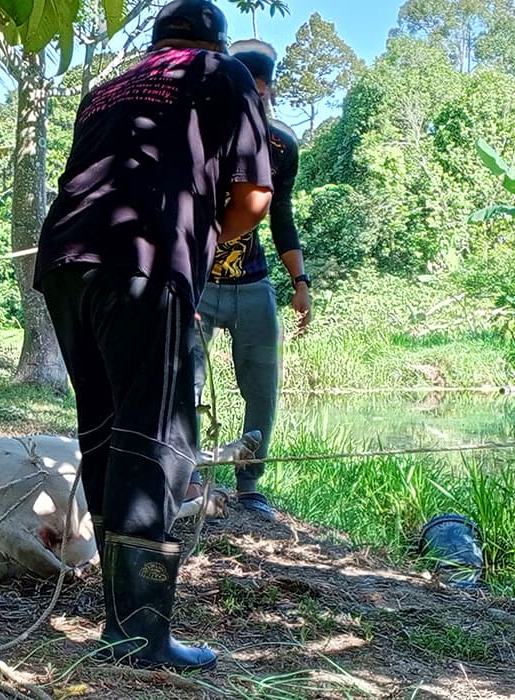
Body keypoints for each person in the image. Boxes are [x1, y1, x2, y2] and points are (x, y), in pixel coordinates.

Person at [34, 0, 273, 671]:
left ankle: (122, 620)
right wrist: (197, 246)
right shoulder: (220, 74)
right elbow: (254, 197)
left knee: (106, 429)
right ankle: (140, 635)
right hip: (143, 258)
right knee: (156, 440)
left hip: (66, 262)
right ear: (216, 42)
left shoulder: (109, 85)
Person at [183, 39, 310, 522]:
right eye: (245, 91)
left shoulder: (281, 144)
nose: (253, 100)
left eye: (260, 92)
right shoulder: (198, 132)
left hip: (254, 284)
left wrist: (301, 282)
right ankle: (188, 477)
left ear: (269, 91)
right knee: (186, 384)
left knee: (262, 386)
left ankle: (249, 484)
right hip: (197, 282)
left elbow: (280, 214)